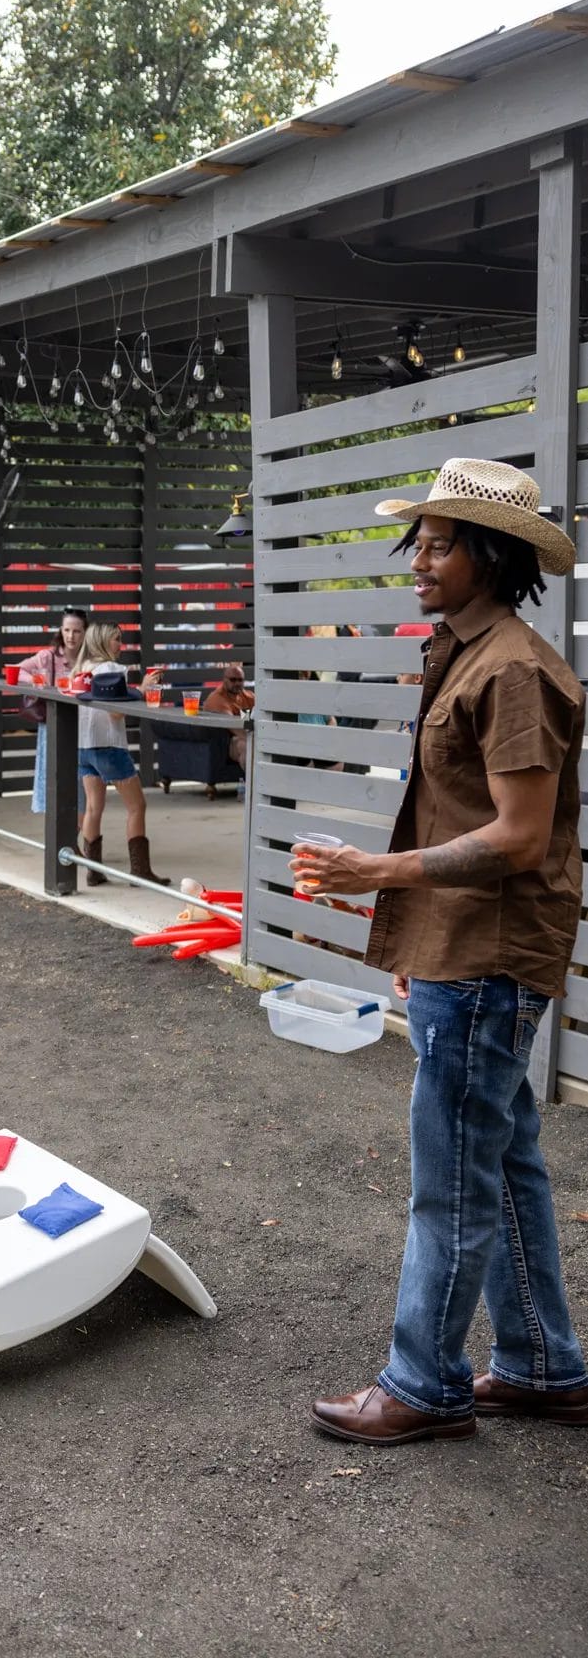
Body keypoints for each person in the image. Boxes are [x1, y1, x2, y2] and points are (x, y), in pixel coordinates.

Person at [291, 458, 588, 1444]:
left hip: (494, 956)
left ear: (491, 556)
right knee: (499, 1168)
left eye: (439, 541)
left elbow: (518, 836)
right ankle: (543, 1369)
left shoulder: (511, 670)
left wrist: (379, 875)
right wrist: (418, 929)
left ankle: (423, 1385)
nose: (417, 557)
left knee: (453, 1182)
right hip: (467, 946)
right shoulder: (465, 653)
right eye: (416, 538)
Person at [71, 621, 166, 887]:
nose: (120, 645)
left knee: (92, 807)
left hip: (84, 748)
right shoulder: (112, 669)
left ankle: (93, 870)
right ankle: (140, 872)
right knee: (137, 806)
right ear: (102, 641)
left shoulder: (81, 669)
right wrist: (144, 690)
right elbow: (115, 712)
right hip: (109, 747)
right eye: (116, 639)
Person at [20, 608, 87, 815]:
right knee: (54, 780)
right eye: (67, 630)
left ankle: (77, 840)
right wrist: (37, 682)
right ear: (61, 630)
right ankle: (58, 840)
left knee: (81, 787)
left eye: (76, 631)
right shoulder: (47, 657)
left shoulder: (91, 658)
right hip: (53, 726)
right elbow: (16, 670)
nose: (70, 636)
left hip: (83, 727)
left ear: (85, 632)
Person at [201, 662, 254, 770]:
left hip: (243, 736)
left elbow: (247, 722)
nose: (237, 683)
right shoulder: (217, 698)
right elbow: (234, 726)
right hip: (224, 742)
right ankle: (251, 785)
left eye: (240, 680)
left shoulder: (247, 697)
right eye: (233, 680)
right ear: (224, 680)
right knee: (245, 746)